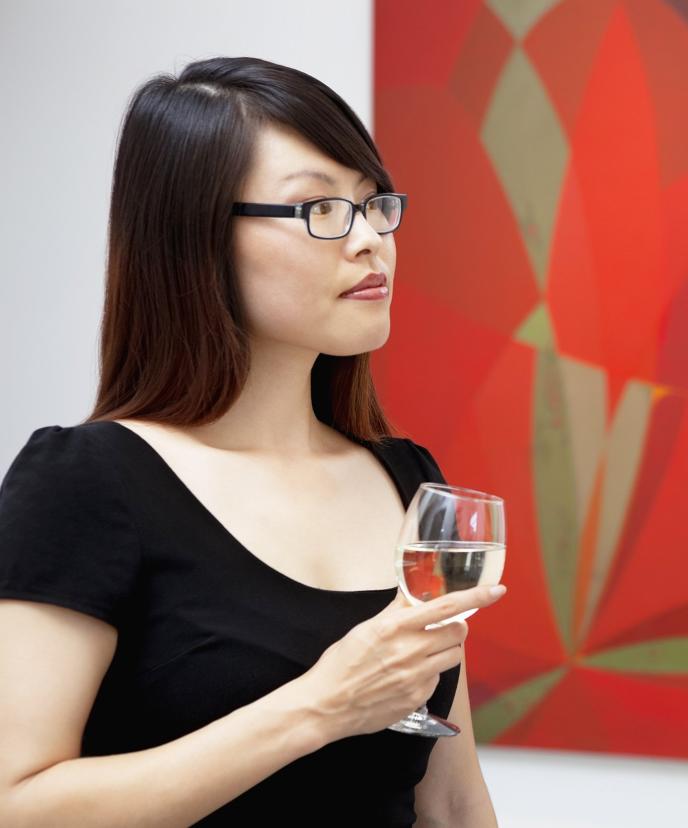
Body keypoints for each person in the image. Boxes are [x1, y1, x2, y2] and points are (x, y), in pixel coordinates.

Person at [0, 57, 504, 826]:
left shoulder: (407, 480)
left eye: (374, 205)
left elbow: (454, 802)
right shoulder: (86, 482)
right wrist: (320, 707)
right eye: (321, 210)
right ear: (197, 236)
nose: (371, 240)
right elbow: (17, 804)